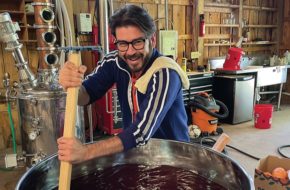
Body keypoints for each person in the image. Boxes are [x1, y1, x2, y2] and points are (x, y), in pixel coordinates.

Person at [57, 4, 190, 164]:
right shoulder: (114, 62)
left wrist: (86, 152)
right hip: (136, 155)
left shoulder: (165, 72)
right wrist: (71, 84)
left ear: (152, 40)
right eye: (123, 44)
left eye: (138, 42)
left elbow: (141, 132)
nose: (130, 52)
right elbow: (85, 96)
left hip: (174, 161)